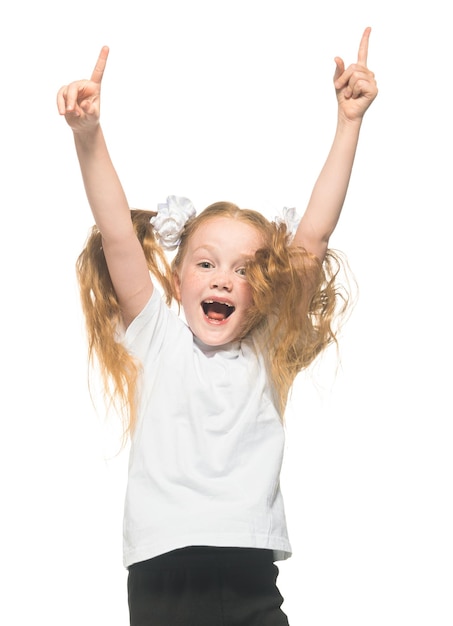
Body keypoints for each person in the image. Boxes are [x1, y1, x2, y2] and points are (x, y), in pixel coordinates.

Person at [57, 27, 377, 626]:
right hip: (161, 576)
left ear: (264, 292)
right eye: (205, 264)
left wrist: (348, 123)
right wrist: (88, 135)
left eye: (244, 269)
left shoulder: (267, 353)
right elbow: (119, 235)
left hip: (248, 572)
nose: (223, 279)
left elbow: (312, 237)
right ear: (177, 280)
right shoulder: (157, 337)